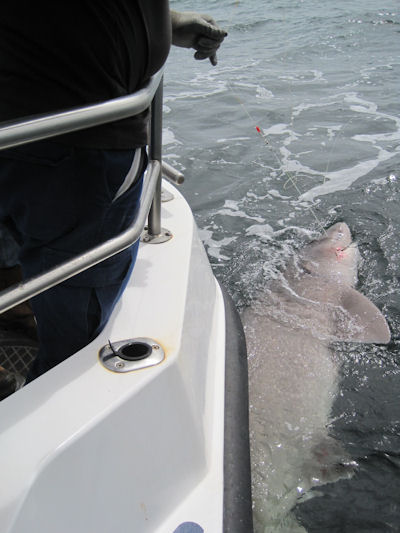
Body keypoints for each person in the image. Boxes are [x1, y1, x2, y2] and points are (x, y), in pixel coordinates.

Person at [0, 2, 227, 390]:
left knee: (12, 257)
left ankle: (14, 317)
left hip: (36, 129)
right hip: (79, 143)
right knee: (75, 330)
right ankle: (46, 401)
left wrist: (166, 23)